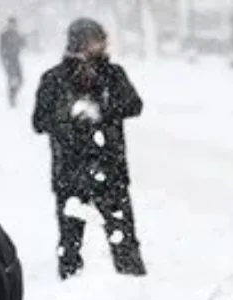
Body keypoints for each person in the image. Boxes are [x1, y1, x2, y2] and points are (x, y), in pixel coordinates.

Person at [32, 18, 147, 279]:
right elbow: (39, 121)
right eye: (98, 39)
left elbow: (134, 105)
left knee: (123, 237)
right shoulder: (55, 78)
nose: (103, 45)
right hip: (70, 171)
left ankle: (135, 288)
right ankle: (70, 288)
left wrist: (102, 110)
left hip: (111, 169)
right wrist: (70, 116)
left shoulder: (113, 74)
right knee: (70, 240)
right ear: (81, 43)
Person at [0, 16, 26, 108]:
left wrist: (23, 39)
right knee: (12, 79)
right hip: (8, 60)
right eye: (11, 24)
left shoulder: (17, 34)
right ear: (8, 24)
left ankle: (13, 95)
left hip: (16, 59)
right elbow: (1, 49)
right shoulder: (4, 35)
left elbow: (23, 44)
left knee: (21, 79)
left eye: (14, 24)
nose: (13, 26)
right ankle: (11, 98)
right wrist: (4, 60)